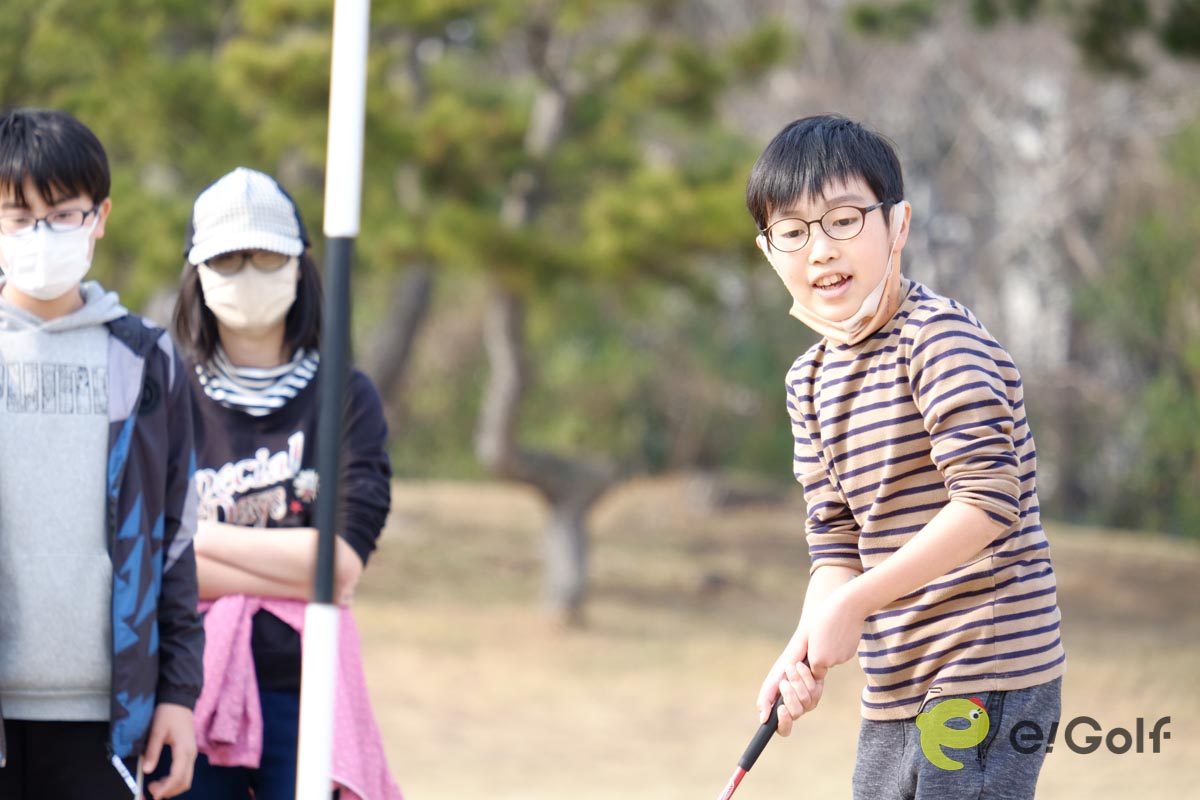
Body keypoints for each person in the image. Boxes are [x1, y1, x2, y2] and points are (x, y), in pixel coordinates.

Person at [746, 115, 1065, 799]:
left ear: (898, 225)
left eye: (843, 221)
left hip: (990, 663)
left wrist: (856, 604)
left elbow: (985, 505)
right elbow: (834, 545)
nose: (820, 251)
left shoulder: (939, 341)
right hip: (895, 679)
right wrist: (805, 644)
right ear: (770, 252)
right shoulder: (807, 381)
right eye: (793, 232)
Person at [166, 166, 401, 800]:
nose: (249, 276)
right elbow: (153, 562)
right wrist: (293, 565)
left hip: (308, 689)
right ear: (198, 275)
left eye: (268, 257)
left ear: (300, 267)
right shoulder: (164, 394)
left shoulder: (344, 398)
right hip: (186, 688)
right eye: (227, 260)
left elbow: (338, 565)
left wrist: (199, 540)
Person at [0, 107, 203, 799]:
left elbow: (175, 541)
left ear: (100, 216)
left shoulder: (144, 360)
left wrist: (177, 692)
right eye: (17, 217)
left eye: (62, 214)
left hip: (111, 722)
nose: (40, 235)